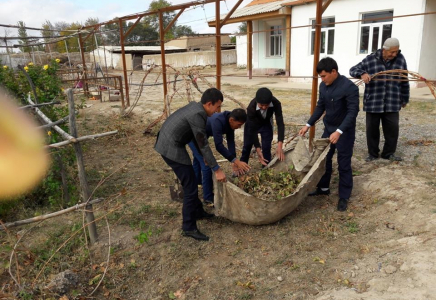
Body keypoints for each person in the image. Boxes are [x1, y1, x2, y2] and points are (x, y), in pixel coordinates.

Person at [154, 88, 227, 241]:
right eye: (217, 106)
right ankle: (188, 227)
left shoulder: (196, 108)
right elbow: (203, 142)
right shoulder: (198, 114)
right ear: (209, 104)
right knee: (190, 187)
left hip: (169, 142)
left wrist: (202, 156)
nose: (217, 111)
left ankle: (198, 212)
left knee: (191, 182)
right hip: (170, 147)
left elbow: (195, 137)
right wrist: (217, 169)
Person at [299, 57, 359, 211]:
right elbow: (320, 107)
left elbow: (353, 113)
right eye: (321, 77)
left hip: (344, 132)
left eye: (324, 76)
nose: (322, 79)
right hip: (328, 129)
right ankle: (323, 188)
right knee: (324, 160)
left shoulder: (349, 87)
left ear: (334, 72)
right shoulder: (323, 86)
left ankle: (344, 196)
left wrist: (339, 131)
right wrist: (308, 124)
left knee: (343, 163)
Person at [350, 37, 410, 162]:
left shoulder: (400, 59)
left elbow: (405, 81)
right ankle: (373, 154)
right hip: (373, 101)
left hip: (392, 101)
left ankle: (388, 153)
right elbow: (352, 70)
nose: (394, 54)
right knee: (372, 129)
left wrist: (404, 98)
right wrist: (362, 73)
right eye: (392, 52)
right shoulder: (370, 59)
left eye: (396, 51)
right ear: (384, 49)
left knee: (392, 129)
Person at [188, 108, 250, 204]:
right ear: (232, 120)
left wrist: (233, 161)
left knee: (197, 159)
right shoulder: (218, 121)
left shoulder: (230, 121)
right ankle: (208, 197)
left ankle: (197, 183)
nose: (239, 127)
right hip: (193, 135)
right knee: (207, 165)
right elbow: (219, 146)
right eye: (239, 125)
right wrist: (236, 161)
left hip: (203, 134)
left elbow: (231, 142)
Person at [240, 87, 285, 166]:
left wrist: (280, 145)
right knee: (247, 146)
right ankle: (242, 166)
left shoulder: (276, 103)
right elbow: (253, 130)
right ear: (257, 102)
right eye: (261, 105)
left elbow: (280, 123)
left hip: (266, 123)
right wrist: (258, 149)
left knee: (267, 147)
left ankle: (266, 168)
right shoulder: (251, 107)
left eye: (266, 105)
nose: (264, 108)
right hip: (252, 125)